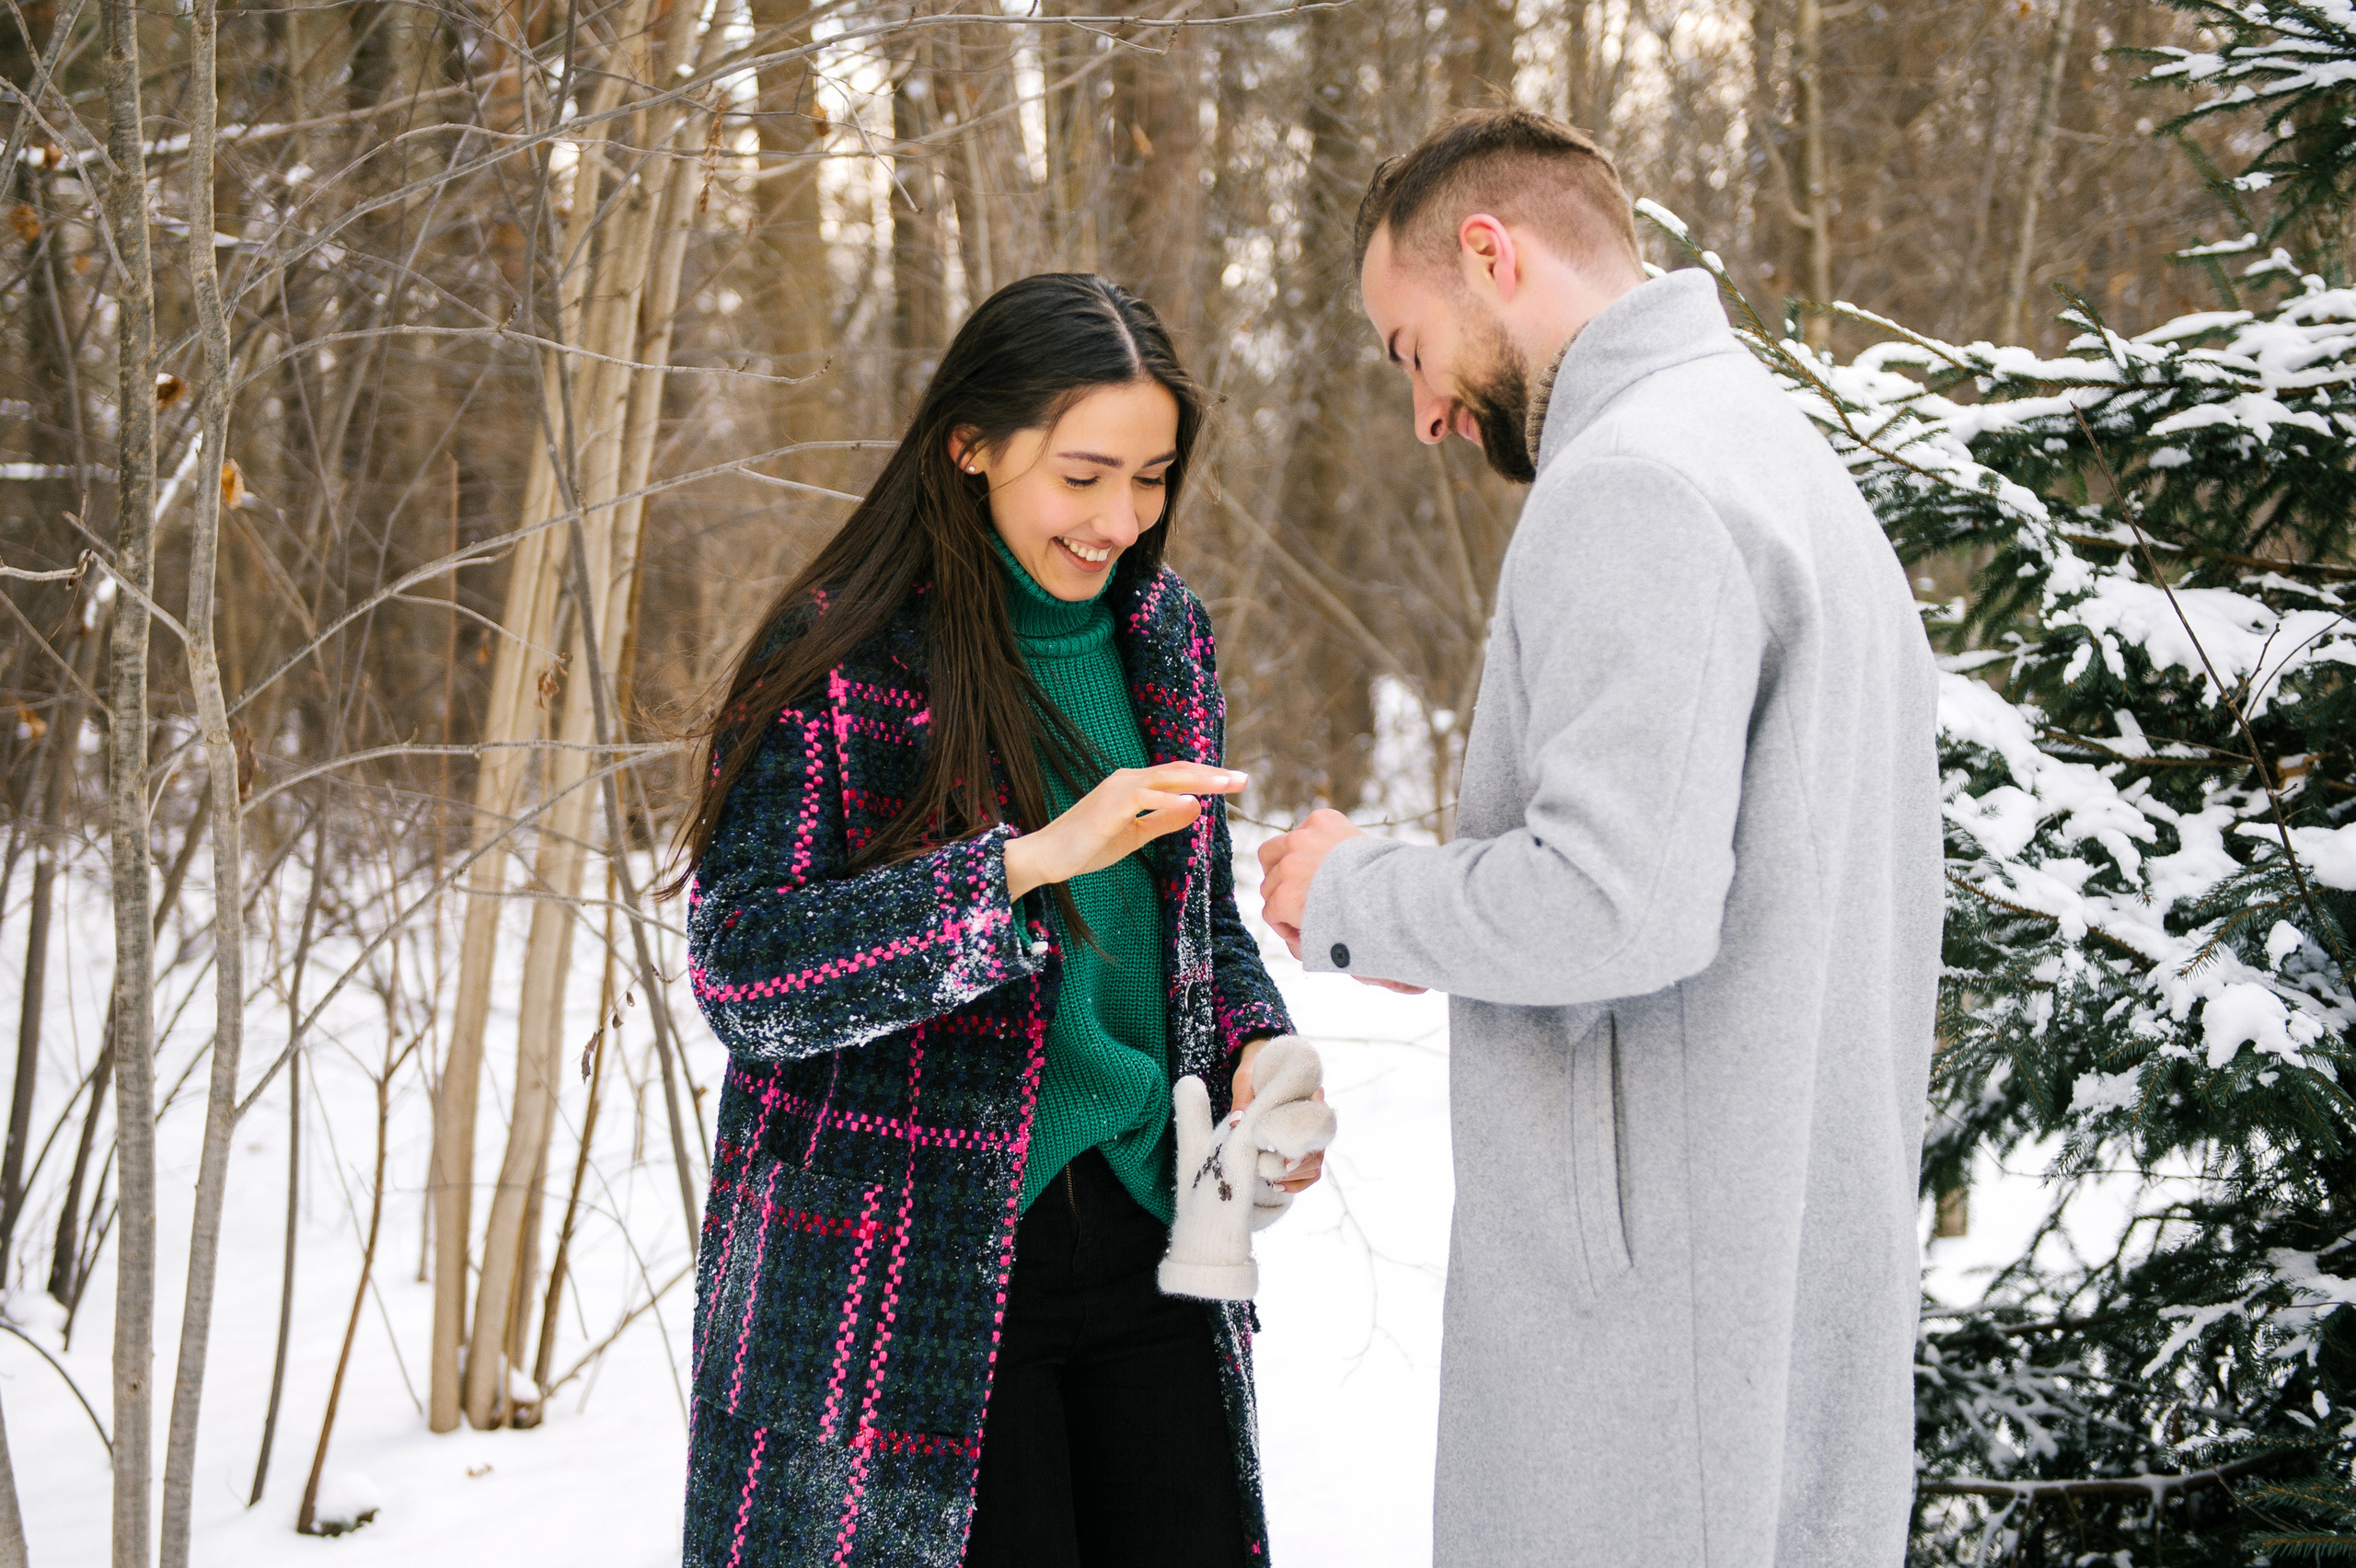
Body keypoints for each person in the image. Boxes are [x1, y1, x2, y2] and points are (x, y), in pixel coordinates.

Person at [1255, 109, 1942, 1566]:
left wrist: (1360, 890)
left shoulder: (1634, 482)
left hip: (1658, 1338)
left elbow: (1617, 905)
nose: (1426, 413)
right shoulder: (1773, 454)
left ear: (1490, 256)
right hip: (1776, 1271)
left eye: (1410, 350)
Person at [673, 273, 1324, 1568]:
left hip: (1153, 1234)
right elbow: (745, 973)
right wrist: (1016, 870)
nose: (1120, 520)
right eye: (1082, 477)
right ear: (969, 445)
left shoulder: (1163, 631)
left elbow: (1191, 920)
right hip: (913, 1274)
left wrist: (1256, 1047)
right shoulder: (847, 653)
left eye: (1150, 478)